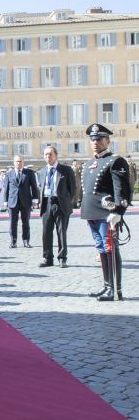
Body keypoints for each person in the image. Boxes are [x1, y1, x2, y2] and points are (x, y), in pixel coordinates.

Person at [80, 123, 131, 301]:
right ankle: (106, 285)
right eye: (92, 139)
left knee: (110, 249)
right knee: (101, 249)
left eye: (99, 139)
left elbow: (122, 189)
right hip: (92, 213)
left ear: (107, 141)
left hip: (106, 214)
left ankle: (116, 290)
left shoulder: (115, 161)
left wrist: (119, 211)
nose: (95, 142)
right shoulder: (89, 163)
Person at [38, 145, 76, 269]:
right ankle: (47, 258)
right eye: (46, 154)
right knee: (46, 233)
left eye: (50, 154)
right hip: (47, 204)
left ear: (56, 155)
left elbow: (73, 189)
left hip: (61, 204)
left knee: (61, 232)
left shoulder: (65, 170)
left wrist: (66, 202)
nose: (48, 156)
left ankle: (62, 258)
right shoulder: (41, 171)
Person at [4, 155, 39, 248]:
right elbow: (6, 188)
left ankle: (26, 241)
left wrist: (35, 199)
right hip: (12, 201)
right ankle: (13, 241)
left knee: (26, 222)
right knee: (13, 222)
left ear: (23, 162)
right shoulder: (9, 174)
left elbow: (34, 187)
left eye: (20, 161)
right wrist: (5, 201)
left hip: (26, 201)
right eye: (17, 161)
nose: (19, 163)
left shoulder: (29, 173)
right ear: (14, 163)